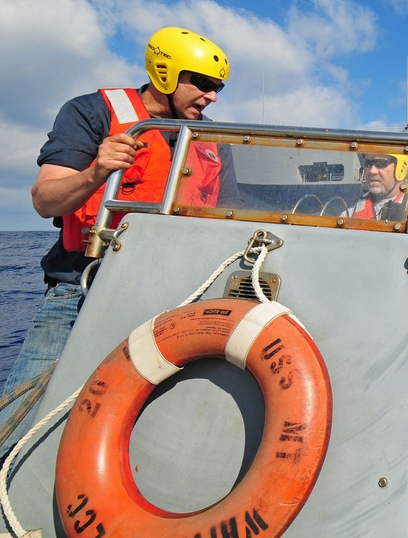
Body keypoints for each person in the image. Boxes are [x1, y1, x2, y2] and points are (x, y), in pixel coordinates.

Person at [0, 26, 237, 457]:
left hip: (171, 296)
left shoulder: (213, 140)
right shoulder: (91, 112)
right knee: (20, 414)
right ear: (165, 74)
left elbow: (232, 217)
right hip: (81, 287)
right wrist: (96, 172)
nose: (212, 97)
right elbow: (43, 200)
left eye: (218, 87)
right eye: (202, 84)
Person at [346, 153, 408, 223]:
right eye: (368, 163)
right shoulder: (353, 210)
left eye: (380, 163)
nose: (372, 171)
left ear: (401, 168)